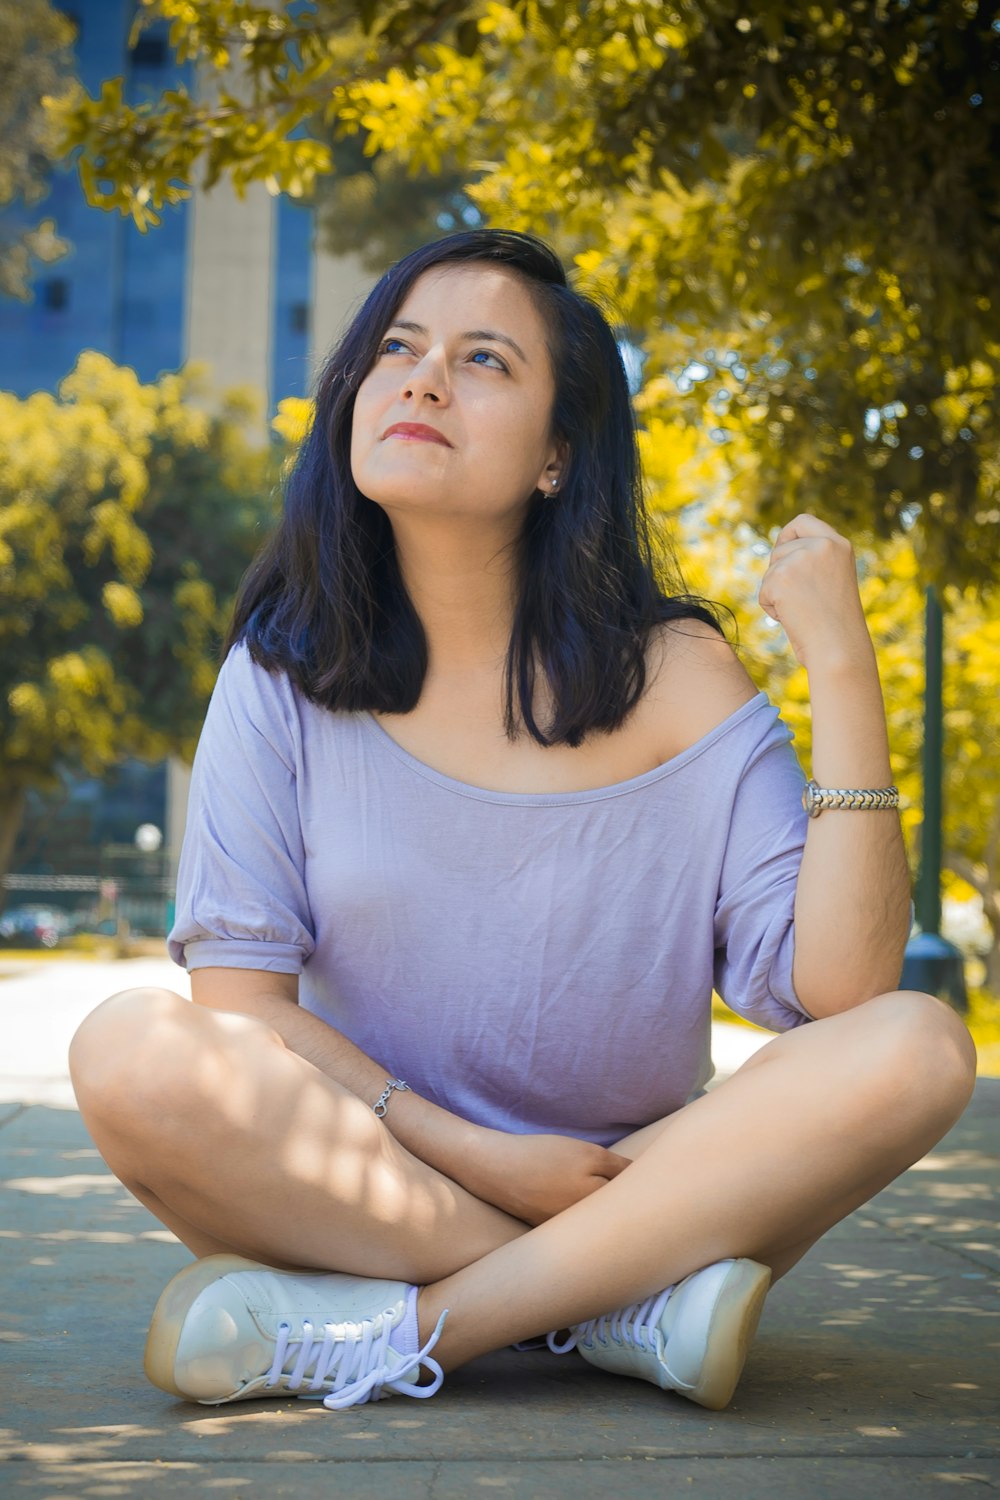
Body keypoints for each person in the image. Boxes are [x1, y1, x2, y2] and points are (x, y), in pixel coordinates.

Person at [69, 229, 975, 1415]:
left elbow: (840, 999)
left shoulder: (681, 677)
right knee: (129, 1050)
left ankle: (406, 1332)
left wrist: (842, 664)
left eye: (483, 359)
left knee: (917, 1044)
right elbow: (244, 1013)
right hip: (399, 1175)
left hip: (638, 1173)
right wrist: (479, 1154)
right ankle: (621, 1302)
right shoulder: (281, 673)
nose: (422, 377)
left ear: (558, 453)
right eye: (397, 347)